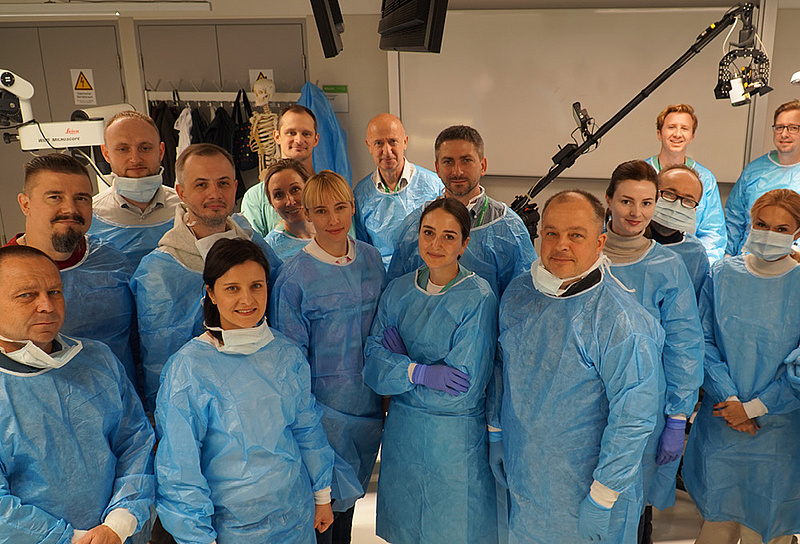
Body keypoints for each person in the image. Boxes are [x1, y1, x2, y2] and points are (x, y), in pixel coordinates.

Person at [155, 238, 359, 544]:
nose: (247, 299)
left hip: (295, 516)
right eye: (232, 288)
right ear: (211, 293)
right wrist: (198, 537)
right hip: (230, 528)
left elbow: (306, 429)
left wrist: (321, 495)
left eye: (256, 286)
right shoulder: (189, 369)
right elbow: (180, 467)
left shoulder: (284, 354)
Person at [496, 190, 664, 543]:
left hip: (588, 493)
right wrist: (496, 431)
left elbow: (633, 416)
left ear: (600, 242)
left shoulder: (619, 320)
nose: (561, 245)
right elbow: (503, 370)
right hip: (524, 479)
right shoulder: (520, 295)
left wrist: (603, 496)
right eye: (552, 233)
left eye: (576, 235)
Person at [363, 198, 498, 543]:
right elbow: (373, 365)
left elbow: (461, 391)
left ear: (464, 244)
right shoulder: (398, 291)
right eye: (428, 232)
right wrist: (419, 372)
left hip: (452, 442)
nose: (436, 244)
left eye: (449, 236)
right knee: (406, 527)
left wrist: (402, 369)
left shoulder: (478, 298)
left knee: (451, 530)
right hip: (403, 437)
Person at [0, 244, 155, 544]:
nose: (47, 305)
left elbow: (135, 442)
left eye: (54, 292)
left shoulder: (97, 360)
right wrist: (71, 539)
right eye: (26, 295)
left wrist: (119, 523)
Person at [270, 170, 385, 544]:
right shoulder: (294, 278)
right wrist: (306, 419)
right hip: (320, 417)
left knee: (348, 510)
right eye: (321, 211)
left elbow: (384, 330)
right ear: (307, 213)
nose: (333, 219)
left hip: (368, 409)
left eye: (340, 208)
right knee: (321, 515)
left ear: (352, 207)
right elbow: (290, 363)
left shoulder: (371, 260)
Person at [683, 189, 800, 544]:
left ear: (797, 233)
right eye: (761, 224)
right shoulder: (722, 274)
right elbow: (702, 343)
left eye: (781, 229)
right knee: (716, 524)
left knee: (764, 530)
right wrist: (731, 399)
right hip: (722, 422)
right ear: (750, 223)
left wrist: (753, 408)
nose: (768, 234)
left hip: (777, 434)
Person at [131, 143, 281, 411]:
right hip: (200, 409)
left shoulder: (255, 245)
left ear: (235, 187)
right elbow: (159, 365)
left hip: (265, 395)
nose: (215, 193)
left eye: (223, 183)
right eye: (201, 185)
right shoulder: (160, 271)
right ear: (181, 192)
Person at [602, 160, 704, 541]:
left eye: (647, 203)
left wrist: (678, 417)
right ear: (608, 200)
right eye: (626, 201)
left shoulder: (667, 267)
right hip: (582, 406)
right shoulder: (583, 254)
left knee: (632, 510)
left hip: (644, 410)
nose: (636, 213)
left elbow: (684, 347)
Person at [9, 153, 138, 389]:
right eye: (54, 197)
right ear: (25, 204)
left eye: (81, 198)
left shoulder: (111, 260)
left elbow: (139, 339)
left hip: (119, 400)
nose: (70, 209)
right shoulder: (4, 272)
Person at [387, 125, 536, 297]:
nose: (457, 171)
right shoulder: (415, 225)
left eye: (466, 160)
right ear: (437, 168)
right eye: (448, 162)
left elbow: (523, 296)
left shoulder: (508, 227)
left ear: (483, 166)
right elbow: (396, 293)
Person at [89, 110, 182, 269]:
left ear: (160, 151)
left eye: (145, 148)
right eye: (123, 149)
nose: (135, 159)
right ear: (106, 154)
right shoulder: (89, 216)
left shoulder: (186, 210)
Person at [353, 113, 443, 268]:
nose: (387, 151)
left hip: (427, 275)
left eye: (393, 142)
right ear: (369, 146)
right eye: (379, 143)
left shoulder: (434, 186)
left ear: (405, 142)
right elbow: (363, 250)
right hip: (381, 278)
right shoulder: (361, 194)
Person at [645, 104, 726, 262]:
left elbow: (712, 233)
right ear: (659, 134)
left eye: (684, 128)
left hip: (687, 261)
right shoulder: (642, 173)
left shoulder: (705, 179)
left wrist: (698, 265)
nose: (677, 134)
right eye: (671, 127)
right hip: (643, 257)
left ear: (692, 136)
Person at [726, 99, 800, 256]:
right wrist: (728, 256)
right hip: (749, 259)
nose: (784, 134)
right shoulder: (754, 171)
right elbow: (734, 219)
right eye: (779, 127)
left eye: (793, 128)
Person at [241, 105, 320, 237]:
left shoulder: (330, 191)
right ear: (277, 136)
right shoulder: (255, 198)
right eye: (291, 133)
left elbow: (346, 241)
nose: (299, 140)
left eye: (306, 134)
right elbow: (251, 246)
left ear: (315, 139)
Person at [646, 164, 710, 298]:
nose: (676, 204)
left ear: (694, 210)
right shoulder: (628, 238)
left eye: (688, 200)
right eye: (669, 194)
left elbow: (696, 303)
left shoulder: (695, 254)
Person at [263, 158, 314, 260]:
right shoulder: (268, 251)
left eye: (295, 189)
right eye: (279, 195)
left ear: (309, 189)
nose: (290, 202)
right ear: (273, 205)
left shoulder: (333, 230)